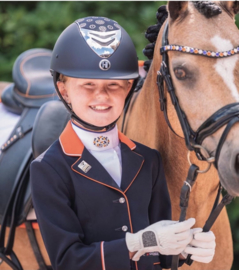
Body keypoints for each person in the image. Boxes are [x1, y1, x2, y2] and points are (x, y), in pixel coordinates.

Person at [30, 16, 216, 270]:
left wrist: (185, 248)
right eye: (88, 84)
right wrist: (138, 242)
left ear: (129, 87)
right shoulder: (48, 168)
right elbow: (67, 261)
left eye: (114, 84)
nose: (102, 96)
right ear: (64, 91)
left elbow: (162, 256)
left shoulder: (148, 160)